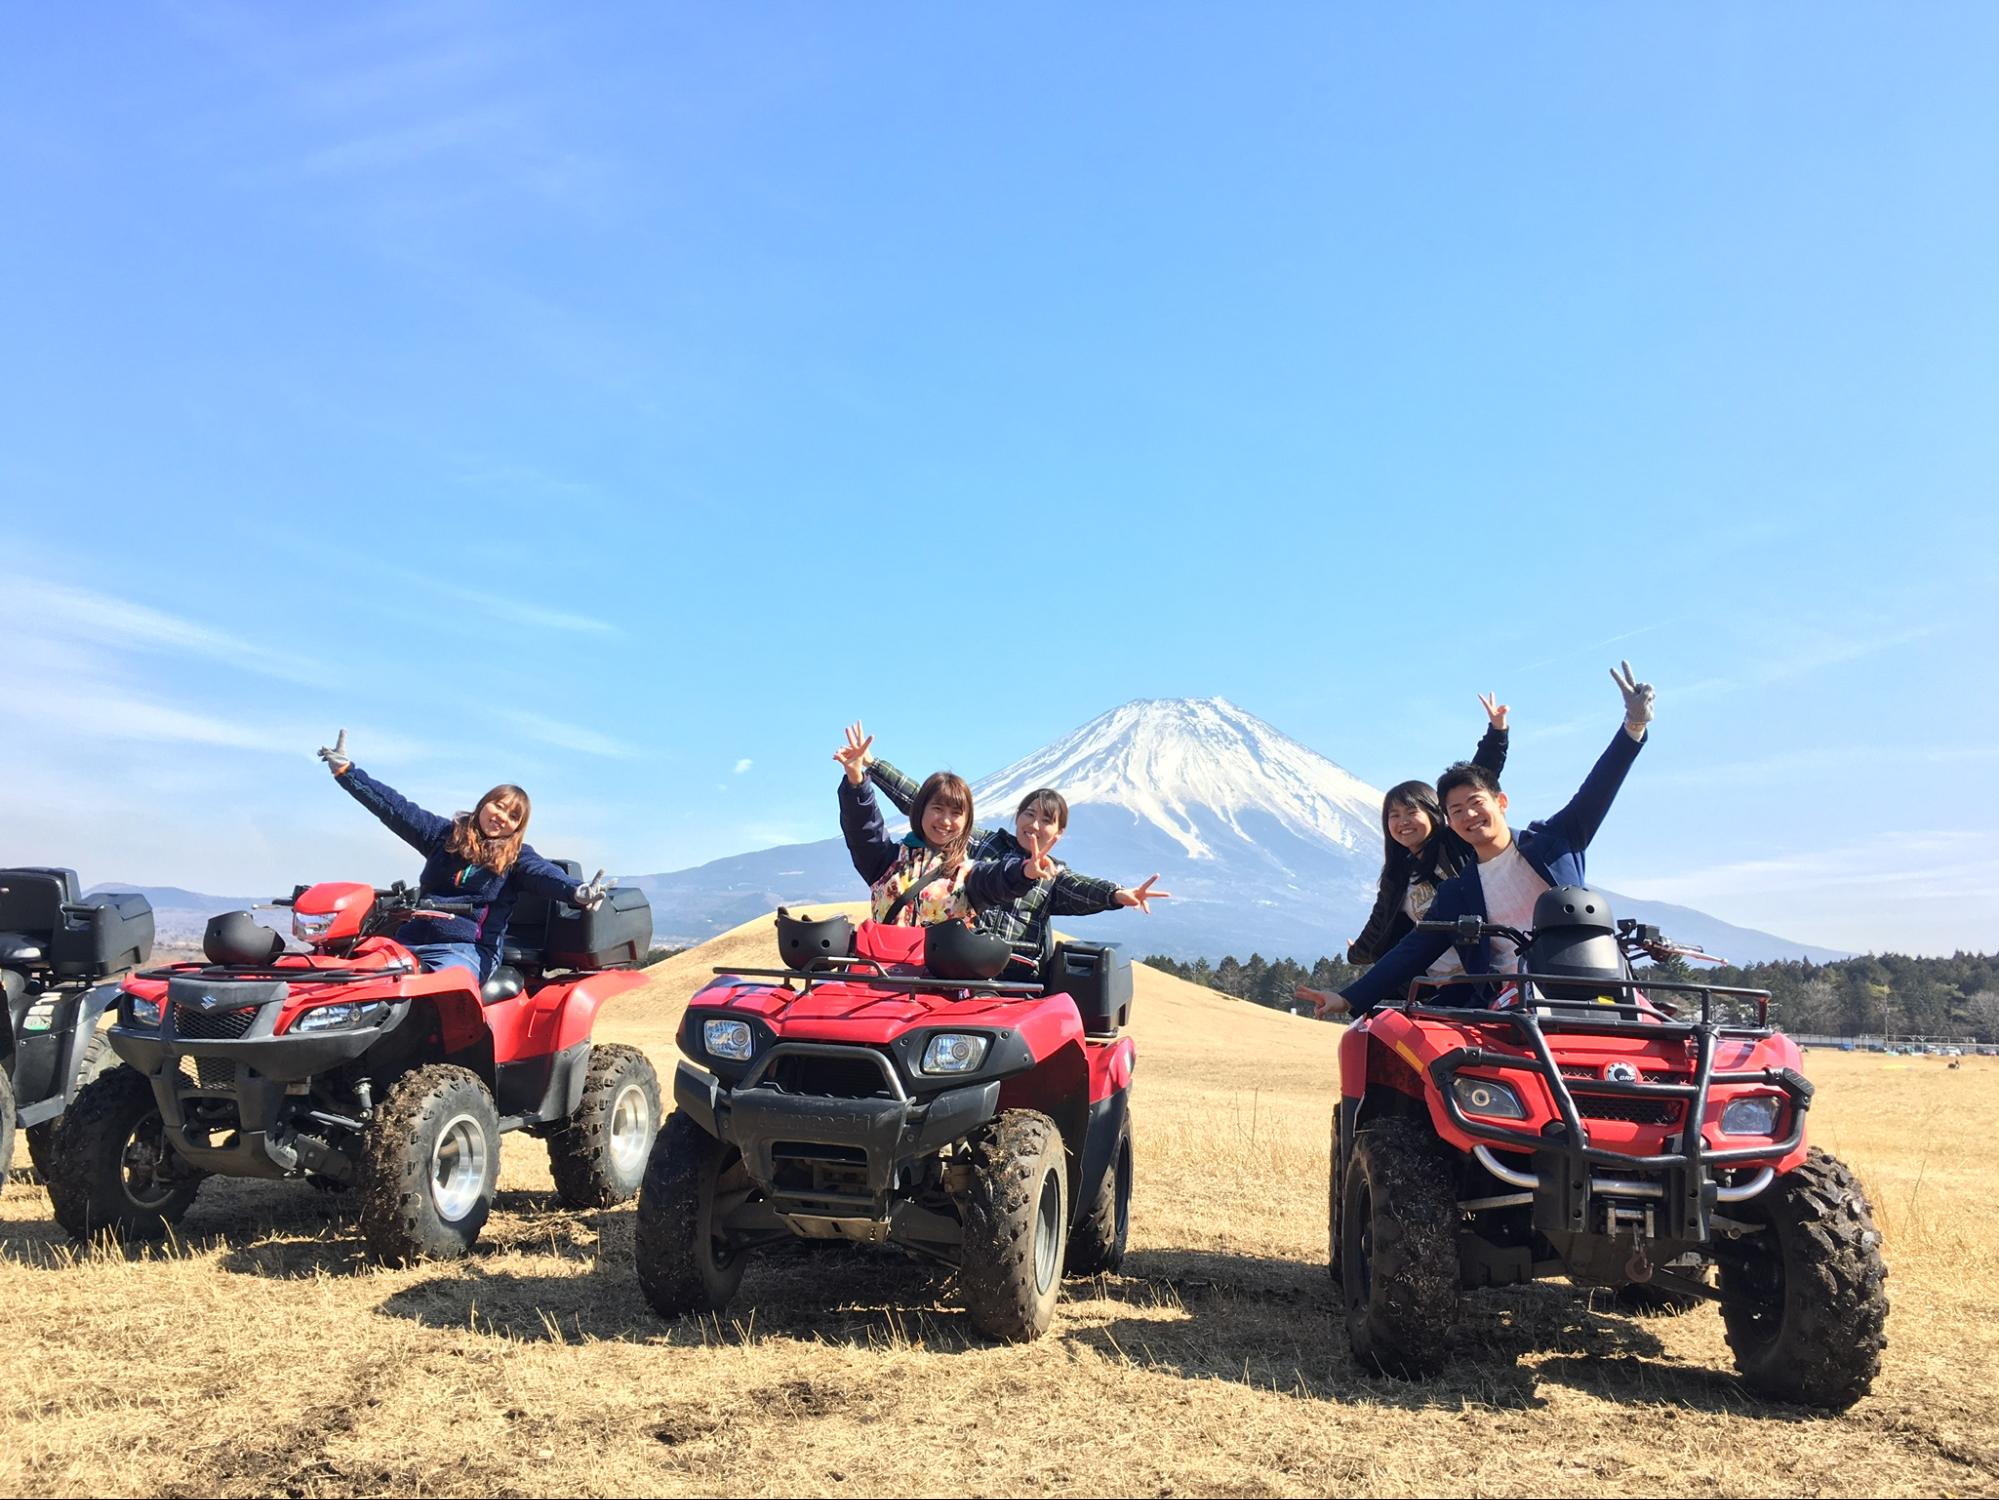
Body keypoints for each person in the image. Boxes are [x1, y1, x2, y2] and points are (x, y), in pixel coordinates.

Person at [1314, 663, 1656, 1021]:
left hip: (1598, 989)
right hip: (1517, 1004)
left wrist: (1634, 726)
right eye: (1456, 810)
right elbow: (1412, 951)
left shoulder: (1555, 842)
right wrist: (1348, 998)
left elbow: (1598, 788)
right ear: (1448, 820)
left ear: (1501, 803)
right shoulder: (1458, 892)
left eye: (1476, 804)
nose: (1468, 816)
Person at [317, 730, 610, 984]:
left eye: (513, 817)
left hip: (465, 950)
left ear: (518, 827)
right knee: (354, 976)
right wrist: (348, 773)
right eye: (499, 806)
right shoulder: (443, 835)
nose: (501, 818)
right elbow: (395, 808)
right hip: (411, 939)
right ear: (484, 804)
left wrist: (577, 891)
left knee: (443, 991)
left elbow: (544, 875)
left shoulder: (516, 858)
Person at [855, 730, 1171, 961]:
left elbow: (1082, 888)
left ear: (1059, 833)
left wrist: (1117, 894)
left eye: (1046, 820)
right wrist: (874, 766)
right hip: (966, 964)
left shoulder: (1052, 874)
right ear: (1016, 817)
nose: (1034, 825)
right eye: (1028, 814)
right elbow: (925, 802)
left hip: (1015, 976)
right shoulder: (982, 842)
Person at [1294, 694, 1508, 1015]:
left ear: (1435, 814)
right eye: (1393, 815)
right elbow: (1380, 923)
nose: (1403, 822)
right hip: (1434, 986)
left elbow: (1475, 779)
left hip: (1480, 977)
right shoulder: (1398, 875)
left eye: (1411, 811)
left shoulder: (1455, 844)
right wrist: (1359, 954)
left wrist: (1496, 733)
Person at [833, 724, 1053, 926]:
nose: (946, 821)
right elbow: (863, 829)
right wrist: (856, 782)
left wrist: (1025, 871)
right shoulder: (886, 861)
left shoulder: (968, 875)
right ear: (921, 810)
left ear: (967, 821)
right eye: (937, 809)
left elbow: (999, 877)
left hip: (942, 970)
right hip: (883, 968)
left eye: (956, 813)